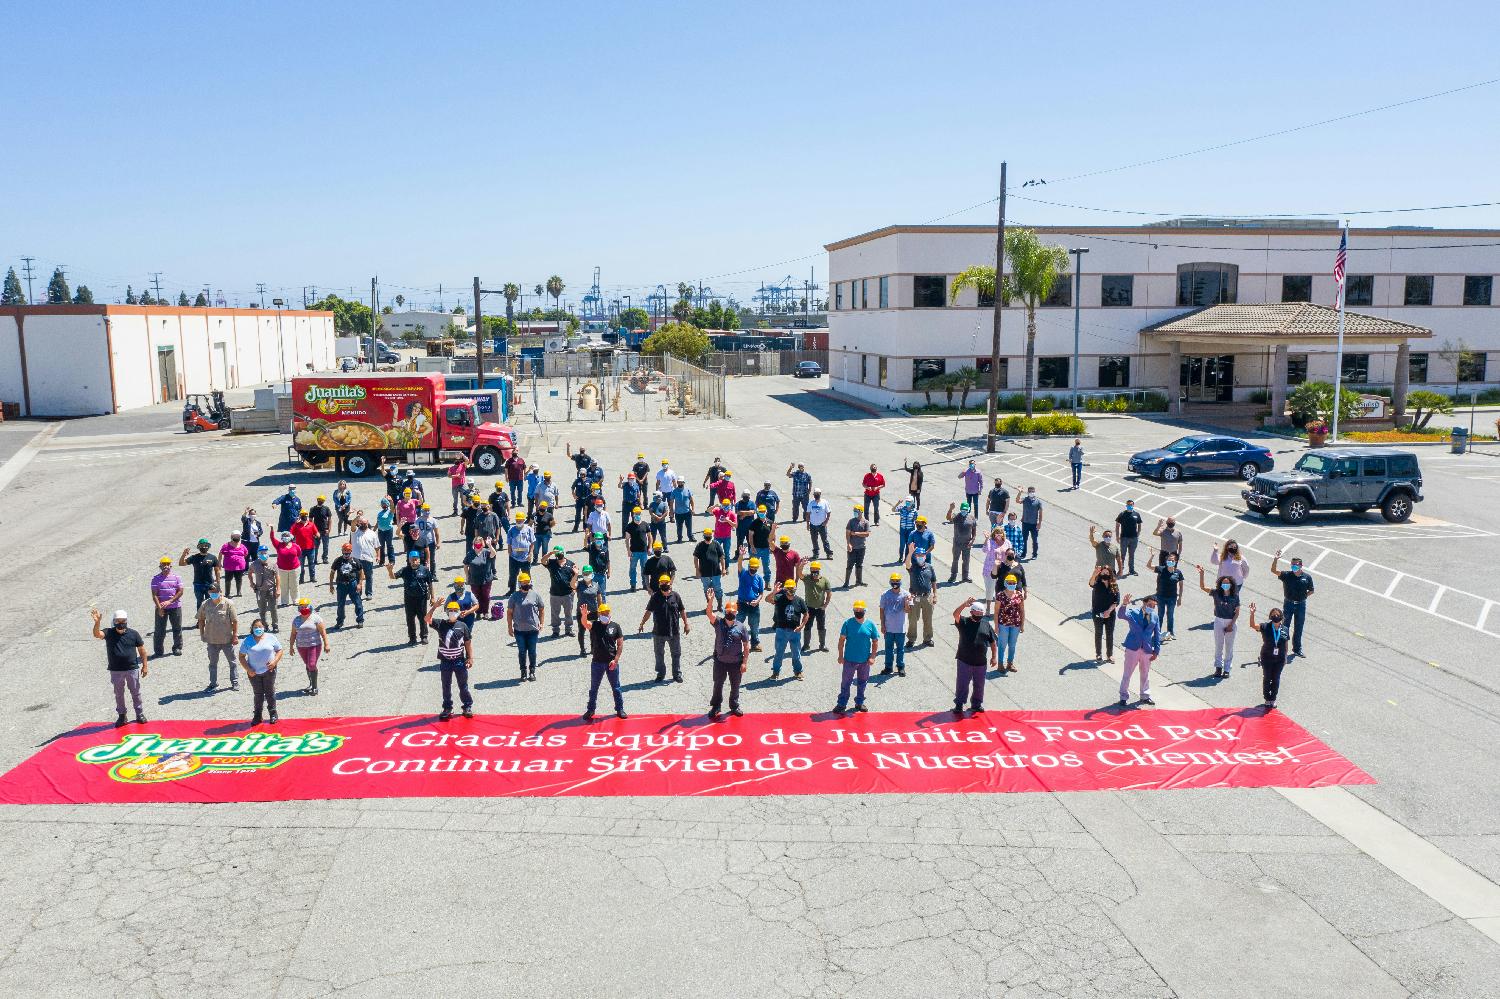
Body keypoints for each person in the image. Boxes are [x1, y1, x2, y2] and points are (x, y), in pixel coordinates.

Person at [92, 608, 147, 726]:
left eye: (123, 621)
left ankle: (139, 713)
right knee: (119, 694)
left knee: (135, 692)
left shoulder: (134, 634)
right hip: (116, 670)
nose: (120, 623)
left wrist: (145, 666)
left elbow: (142, 650)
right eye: (118, 621)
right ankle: (122, 716)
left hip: (132, 668)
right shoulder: (109, 633)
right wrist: (97, 623)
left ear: (126, 621)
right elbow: (97, 634)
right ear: (114, 621)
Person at [951, 598, 998, 716]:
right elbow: (955, 614)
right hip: (964, 660)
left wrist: (994, 657)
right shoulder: (964, 622)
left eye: (981, 614)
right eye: (977, 613)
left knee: (979, 685)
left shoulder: (986, 625)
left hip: (981, 662)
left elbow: (992, 642)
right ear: (971, 612)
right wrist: (964, 604)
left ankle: (976, 705)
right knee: (962, 683)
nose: (979, 616)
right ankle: (959, 704)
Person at [581, 603, 627, 721]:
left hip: (611, 662)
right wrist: (584, 615)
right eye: (602, 613)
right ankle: (591, 710)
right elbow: (585, 623)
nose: (605, 615)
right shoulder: (595, 625)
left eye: (606, 613)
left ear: (609, 613)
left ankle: (620, 708)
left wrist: (615, 660)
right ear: (599, 614)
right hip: (597, 662)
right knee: (594, 688)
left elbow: (620, 644)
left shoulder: (615, 626)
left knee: (616, 687)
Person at [430, 600, 475, 720]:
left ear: (459, 612)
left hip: (459, 661)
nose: (453, 613)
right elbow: (427, 619)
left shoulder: (463, 626)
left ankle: (467, 706)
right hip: (445, 661)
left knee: (463, 685)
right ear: (446, 612)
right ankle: (447, 708)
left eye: (455, 611)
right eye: (450, 611)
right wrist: (434, 607)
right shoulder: (440, 624)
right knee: (446, 686)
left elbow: (468, 643)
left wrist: (470, 658)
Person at [640, 574, 689, 682]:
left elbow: (682, 610)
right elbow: (648, 611)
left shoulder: (676, 596)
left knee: (676, 654)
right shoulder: (655, 597)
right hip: (659, 632)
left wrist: (686, 624)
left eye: (666, 583)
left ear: (669, 583)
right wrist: (642, 623)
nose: (664, 584)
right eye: (662, 583)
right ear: (659, 584)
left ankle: (677, 674)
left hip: (674, 631)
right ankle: (660, 674)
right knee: (659, 654)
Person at [705, 599, 750, 719]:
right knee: (718, 684)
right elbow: (709, 613)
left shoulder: (741, 627)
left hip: (736, 663)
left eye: (732, 611)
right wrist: (710, 601)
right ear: (725, 611)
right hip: (720, 661)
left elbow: (746, 646)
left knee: (735, 685)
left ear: (736, 613)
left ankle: (734, 706)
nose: (730, 613)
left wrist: (744, 663)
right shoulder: (718, 622)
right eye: (728, 611)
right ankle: (716, 706)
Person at [834, 600, 880, 714]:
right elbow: (841, 641)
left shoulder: (870, 625)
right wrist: (840, 656)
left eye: (860, 610)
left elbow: (875, 641)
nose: (858, 612)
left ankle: (859, 702)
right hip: (849, 660)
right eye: (856, 610)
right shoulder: (848, 623)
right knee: (845, 683)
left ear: (865, 611)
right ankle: (841, 704)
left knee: (862, 682)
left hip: (864, 661)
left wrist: (873, 656)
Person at [1196, 564, 1241, 679]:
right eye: (1223, 583)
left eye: (1227, 583)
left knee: (1229, 647)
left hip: (1231, 621)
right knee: (1218, 646)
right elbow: (1202, 587)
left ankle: (1227, 669)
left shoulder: (1235, 596)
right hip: (1219, 621)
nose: (1225, 585)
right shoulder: (1216, 593)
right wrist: (1202, 574)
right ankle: (1218, 668)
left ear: (1231, 584)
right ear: (1220, 584)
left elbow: (1237, 612)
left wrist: (1231, 625)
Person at [1117, 593, 1161, 706]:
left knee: (1145, 674)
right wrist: (1124, 604)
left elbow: (1157, 635)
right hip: (1132, 648)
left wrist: (1156, 651)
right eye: (1150, 604)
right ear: (1144, 603)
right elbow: (1121, 615)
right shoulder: (1133, 613)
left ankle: (1145, 696)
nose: (1152, 607)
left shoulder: (1155, 617)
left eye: (1154, 606)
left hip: (1146, 649)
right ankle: (1123, 696)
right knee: (1127, 673)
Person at [1270, 549, 1315, 658]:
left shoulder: (1307, 577)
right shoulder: (1287, 575)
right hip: (1288, 604)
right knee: (1285, 627)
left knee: (1299, 627)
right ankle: (1281, 649)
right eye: (1292, 564)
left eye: (1296, 565)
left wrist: (1304, 596)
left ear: (1301, 566)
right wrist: (1275, 559)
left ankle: (1297, 649)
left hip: (1301, 605)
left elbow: (1311, 590)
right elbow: (1273, 570)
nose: (1294, 566)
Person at [238, 619, 283, 725]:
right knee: (258, 694)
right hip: (253, 673)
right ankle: (257, 716)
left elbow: (279, 650)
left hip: (269, 670)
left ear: (264, 628)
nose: (258, 629)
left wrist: (275, 661)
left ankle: (273, 714)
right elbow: (241, 656)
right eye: (255, 627)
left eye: (260, 627)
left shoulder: (271, 637)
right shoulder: (247, 641)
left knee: (270, 692)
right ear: (252, 629)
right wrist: (248, 669)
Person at [195, 581, 239, 690]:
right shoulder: (205, 604)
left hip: (227, 640)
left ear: (220, 592)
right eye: (211, 592)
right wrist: (202, 634)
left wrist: (235, 635)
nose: (213, 594)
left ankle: (235, 682)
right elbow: (201, 619)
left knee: (232, 662)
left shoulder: (228, 604)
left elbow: (234, 621)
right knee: (212, 664)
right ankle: (213, 684)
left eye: (215, 592)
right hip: (212, 640)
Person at [1248, 602, 1290, 708]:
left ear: (1281, 617)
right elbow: (1253, 625)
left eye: (1277, 614)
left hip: (1279, 658)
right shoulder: (1265, 626)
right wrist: (1252, 613)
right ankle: (1267, 698)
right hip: (1267, 657)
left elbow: (1285, 644)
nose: (1276, 616)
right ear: (1271, 616)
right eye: (1273, 614)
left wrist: (1285, 656)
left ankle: (1273, 698)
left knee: (1276, 678)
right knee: (1267, 677)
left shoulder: (1285, 629)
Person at [389, 550, 435, 644]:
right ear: (409, 560)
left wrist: (432, 597)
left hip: (421, 598)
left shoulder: (424, 570)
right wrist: (390, 570)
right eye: (412, 560)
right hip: (409, 598)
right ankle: (412, 637)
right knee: (410, 618)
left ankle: (424, 636)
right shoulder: (405, 570)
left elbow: (430, 584)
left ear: (419, 560)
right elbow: (393, 577)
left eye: (416, 559)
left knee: (423, 618)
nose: (414, 562)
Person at [507, 572, 545, 681]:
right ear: (519, 583)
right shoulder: (514, 596)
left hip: (533, 630)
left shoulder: (535, 595)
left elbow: (542, 609)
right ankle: (523, 672)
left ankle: (532, 671)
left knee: (532, 651)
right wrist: (510, 627)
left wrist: (541, 623)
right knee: (522, 652)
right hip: (519, 631)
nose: (526, 584)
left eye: (527, 582)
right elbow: (509, 613)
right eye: (524, 582)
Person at [767, 580, 807, 680]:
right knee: (779, 653)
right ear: (785, 590)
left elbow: (806, 614)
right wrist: (774, 592)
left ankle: (798, 671)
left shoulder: (800, 601)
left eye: (792, 589)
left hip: (795, 632)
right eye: (788, 589)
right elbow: (767, 599)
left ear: (795, 589)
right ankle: (775, 672)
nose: (791, 591)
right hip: (781, 630)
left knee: (796, 653)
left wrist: (801, 626)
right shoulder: (779, 598)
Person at [288, 597, 329, 695]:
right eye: (301, 607)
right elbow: (293, 634)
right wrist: (291, 646)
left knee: (311, 664)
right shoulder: (296, 620)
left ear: (310, 606)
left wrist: (326, 644)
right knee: (308, 664)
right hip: (301, 646)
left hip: (314, 645)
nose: (303, 608)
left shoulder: (316, 618)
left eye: (305, 606)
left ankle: (315, 687)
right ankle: (311, 684)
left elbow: (323, 632)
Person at [1145, 549, 1185, 640]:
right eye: (1169, 560)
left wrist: (1180, 598)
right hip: (1161, 597)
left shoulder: (1178, 572)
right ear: (1166, 561)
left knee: (1170, 616)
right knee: (1160, 615)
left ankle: (1171, 633)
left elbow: (1181, 586)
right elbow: (1148, 566)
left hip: (1172, 598)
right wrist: (1152, 556)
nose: (1170, 562)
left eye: (1172, 560)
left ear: (1175, 562)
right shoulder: (1161, 569)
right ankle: (1157, 633)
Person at [878, 573, 913, 677]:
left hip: (900, 628)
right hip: (888, 628)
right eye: (893, 581)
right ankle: (888, 667)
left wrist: (907, 601)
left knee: (900, 649)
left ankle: (900, 667)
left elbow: (908, 611)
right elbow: (881, 610)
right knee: (888, 649)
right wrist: (882, 625)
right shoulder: (885, 595)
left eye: (897, 581)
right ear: (890, 582)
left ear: (900, 582)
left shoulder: (906, 594)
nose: (895, 583)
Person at [150, 556, 184, 657]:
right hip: (161, 608)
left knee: (177, 628)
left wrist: (170, 601)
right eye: (163, 564)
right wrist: (159, 608)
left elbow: (180, 591)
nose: (166, 566)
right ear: (160, 566)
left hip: (175, 607)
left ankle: (177, 648)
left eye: (167, 564)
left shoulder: (177, 578)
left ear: (171, 566)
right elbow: (154, 595)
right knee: (159, 630)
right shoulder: (155, 579)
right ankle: (158, 651)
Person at [328, 542, 365, 629]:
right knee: (340, 604)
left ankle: (360, 620)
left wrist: (360, 584)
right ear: (342, 551)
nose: (346, 554)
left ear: (351, 551)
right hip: (341, 585)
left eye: (348, 552)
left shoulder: (355, 561)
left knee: (357, 602)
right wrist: (331, 585)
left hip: (353, 584)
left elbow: (361, 572)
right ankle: (340, 621)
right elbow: (332, 573)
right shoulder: (338, 560)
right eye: (344, 552)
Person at [905, 551, 937, 648]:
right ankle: (911, 639)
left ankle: (927, 639)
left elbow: (934, 581)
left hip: (927, 597)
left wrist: (935, 594)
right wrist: (910, 552)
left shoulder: (929, 567)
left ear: (925, 556)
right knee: (913, 619)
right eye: (918, 555)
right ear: (915, 556)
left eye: (922, 555)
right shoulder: (912, 567)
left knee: (928, 619)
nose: (920, 557)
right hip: (915, 597)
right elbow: (907, 563)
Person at [736, 552, 767, 651]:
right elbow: (739, 564)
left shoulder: (759, 579)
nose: (753, 570)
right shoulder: (743, 573)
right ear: (749, 566)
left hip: (754, 605)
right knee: (737, 624)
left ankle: (755, 644)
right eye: (751, 567)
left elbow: (761, 593)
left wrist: (757, 601)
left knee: (754, 625)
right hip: (742, 603)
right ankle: (734, 642)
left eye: (755, 568)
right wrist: (741, 555)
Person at [1089, 565, 1120, 663]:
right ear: (1100, 573)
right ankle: (1098, 654)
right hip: (1098, 613)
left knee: (1109, 634)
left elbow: (1116, 601)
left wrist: (1109, 611)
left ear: (1110, 574)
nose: (1105, 574)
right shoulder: (1097, 583)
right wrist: (1094, 573)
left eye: (1107, 573)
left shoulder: (1114, 585)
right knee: (1098, 633)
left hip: (1110, 614)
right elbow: (1091, 583)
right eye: (1103, 573)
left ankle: (1109, 655)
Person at [179, 539, 222, 609]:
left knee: (212, 602)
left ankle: (210, 619)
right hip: (198, 584)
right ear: (199, 547)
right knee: (200, 602)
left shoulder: (213, 557)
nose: (204, 547)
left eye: (206, 546)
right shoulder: (194, 557)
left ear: (208, 547)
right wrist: (184, 554)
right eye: (202, 546)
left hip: (210, 584)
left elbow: (217, 571)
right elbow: (181, 563)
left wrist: (218, 584)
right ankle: (200, 619)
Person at [800, 561, 833, 652]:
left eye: (816, 569)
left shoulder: (824, 580)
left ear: (819, 570)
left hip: (820, 609)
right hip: (809, 608)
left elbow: (829, 593)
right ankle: (806, 645)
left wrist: (825, 605)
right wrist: (801, 565)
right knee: (807, 627)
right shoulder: (807, 578)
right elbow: (799, 574)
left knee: (821, 627)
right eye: (812, 569)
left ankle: (822, 645)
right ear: (810, 570)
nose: (814, 571)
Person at [693, 528, 727, 611]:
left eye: (709, 535)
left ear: (711, 536)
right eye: (706, 535)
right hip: (704, 573)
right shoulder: (700, 545)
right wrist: (697, 570)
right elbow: (695, 558)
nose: (708, 536)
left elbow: (722, 557)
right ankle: (709, 606)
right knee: (707, 590)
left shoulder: (716, 544)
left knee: (718, 589)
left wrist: (723, 569)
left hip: (716, 572)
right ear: (704, 536)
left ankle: (719, 605)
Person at [945, 502, 978, 583]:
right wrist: (950, 509)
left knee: (966, 560)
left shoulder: (972, 518)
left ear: (968, 510)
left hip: (967, 544)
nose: (964, 511)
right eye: (962, 509)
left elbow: (974, 531)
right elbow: (948, 518)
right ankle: (953, 576)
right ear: (960, 509)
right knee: (955, 559)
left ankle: (965, 576)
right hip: (957, 543)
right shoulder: (956, 516)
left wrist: (972, 540)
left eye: (965, 510)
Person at [248, 546, 280, 632]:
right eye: (261, 553)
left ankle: (275, 626)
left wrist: (278, 589)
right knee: (262, 610)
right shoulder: (254, 564)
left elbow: (277, 577)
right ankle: (264, 626)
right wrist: (251, 583)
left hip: (271, 590)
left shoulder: (273, 564)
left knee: (273, 609)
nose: (263, 554)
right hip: (260, 590)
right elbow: (249, 573)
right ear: (258, 554)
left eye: (265, 552)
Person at [574, 565, 603, 656]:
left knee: (593, 631)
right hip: (582, 612)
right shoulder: (579, 584)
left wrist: (600, 610)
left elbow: (599, 598)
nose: (587, 575)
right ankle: (582, 649)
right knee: (581, 631)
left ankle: (593, 648)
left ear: (592, 573)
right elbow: (572, 585)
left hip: (593, 612)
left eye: (588, 573)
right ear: (582, 574)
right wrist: (575, 575)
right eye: (585, 573)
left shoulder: (596, 585)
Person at [981, 527, 1011, 608]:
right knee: (989, 590)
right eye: (996, 533)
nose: (998, 534)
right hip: (989, 570)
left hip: (1002, 571)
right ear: (994, 534)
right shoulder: (991, 541)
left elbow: (1010, 554)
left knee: (1002, 591)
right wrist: (986, 539)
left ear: (1003, 534)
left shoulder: (1007, 542)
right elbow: (985, 550)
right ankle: (988, 608)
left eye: (1000, 532)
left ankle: (1000, 609)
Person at [624, 506, 652, 591]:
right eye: (636, 514)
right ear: (633, 514)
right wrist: (628, 550)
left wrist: (650, 547)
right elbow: (627, 539)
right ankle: (633, 585)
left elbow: (650, 537)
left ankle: (645, 584)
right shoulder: (629, 526)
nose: (637, 515)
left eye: (639, 513)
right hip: (634, 552)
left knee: (645, 568)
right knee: (632, 569)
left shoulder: (645, 524)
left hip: (644, 551)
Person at [506, 512, 534, 594]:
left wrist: (530, 554)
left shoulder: (529, 529)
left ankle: (529, 589)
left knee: (526, 574)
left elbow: (532, 542)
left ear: (524, 520)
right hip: (514, 557)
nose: (518, 522)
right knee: (512, 575)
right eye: (517, 520)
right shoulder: (511, 530)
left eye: (520, 520)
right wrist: (509, 553)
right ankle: (512, 590)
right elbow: (509, 543)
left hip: (525, 557)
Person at [350, 518, 379, 598]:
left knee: (369, 576)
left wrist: (378, 555)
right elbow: (352, 523)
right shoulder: (355, 531)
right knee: (356, 577)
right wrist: (357, 517)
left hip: (368, 558)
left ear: (367, 523)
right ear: (359, 523)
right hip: (356, 558)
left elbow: (377, 546)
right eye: (361, 523)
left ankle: (369, 593)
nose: (363, 525)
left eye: (364, 523)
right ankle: (358, 593)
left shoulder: (372, 533)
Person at [272, 531, 301, 607]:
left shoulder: (296, 546)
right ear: (281, 538)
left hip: (294, 569)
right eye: (284, 536)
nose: (285, 537)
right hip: (282, 569)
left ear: (291, 537)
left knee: (294, 585)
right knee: (283, 586)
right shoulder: (278, 545)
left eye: (287, 535)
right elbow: (272, 538)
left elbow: (299, 553)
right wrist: (272, 529)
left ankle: (296, 600)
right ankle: (284, 601)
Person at [1114, 499, 1143, 576]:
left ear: (1133, 505)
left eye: (1131, 505)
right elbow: (1117, 525)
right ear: (1126, 506)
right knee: (1122, 555)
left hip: (1134, 538)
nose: (1130, 506)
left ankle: (1131, 570)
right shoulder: (1122, 514)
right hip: (1124, 538)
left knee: (1132, 555)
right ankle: (1121, 570)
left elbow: (1139, 524)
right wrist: (1117, 536)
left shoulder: (1137, 514)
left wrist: (1138, 533)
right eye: (1128, 505)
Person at [747, 505, 774, 585]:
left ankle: (767, 582)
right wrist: (752, 546)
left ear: (766, 512)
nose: (762, 513)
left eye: (763, 511)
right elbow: (750, 536)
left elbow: (772, 535)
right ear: (758, 513)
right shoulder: (754, 523)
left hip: (766, 549)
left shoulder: (770, 522)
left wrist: (772, 546)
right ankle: (750, 581)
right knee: (752, 566)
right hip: (756, 549)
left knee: (766, 567)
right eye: (760, 512)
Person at [844, 505, 870, 588]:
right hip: (852, 548)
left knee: (859, 565)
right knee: (849, 565)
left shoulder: (865, 522)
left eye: (856, 511)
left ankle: (859, 581)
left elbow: (867, 534)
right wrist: (848, 544)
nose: (855, 513)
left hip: (861, 548)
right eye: (854, 511)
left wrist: (856, 533)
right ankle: (846, 582)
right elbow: (848, 533)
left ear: (861, 512)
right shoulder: (851, 521)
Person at [290, 510, 320, 583]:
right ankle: (301, 579)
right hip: (300, 550)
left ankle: (312, 578)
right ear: (300, 516)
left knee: (311, 564)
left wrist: (317, 535)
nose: (304, 517)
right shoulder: (296, 525)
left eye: (305, 515)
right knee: (300, 565)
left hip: (311, 548)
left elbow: (317, 534)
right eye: (303, 515)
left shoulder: (311, 524)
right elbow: (290, 534)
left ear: (307, 516)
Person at [412, 504, 440, 570]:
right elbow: (414, 531)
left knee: (432, 560)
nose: (427, 512)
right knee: (422, 559)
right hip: (421, 543)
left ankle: (433, 574)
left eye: (428, 510)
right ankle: (422, 573)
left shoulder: (433, 520)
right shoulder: (417, 520)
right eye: (425, 510)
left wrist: (438, 542)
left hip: (431, 542)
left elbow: (437, 533)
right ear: (422, 511)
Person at [805, 489, 832, 559]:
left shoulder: (824, 502)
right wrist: (808, 524)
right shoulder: (811, 503)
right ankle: (816, 553)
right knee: (814, 540)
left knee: (824, 540)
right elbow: (807, 514)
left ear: (820, 494)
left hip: (822, 525)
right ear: (813, 495)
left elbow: (828, 512)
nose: (816, 495)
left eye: (817, 493)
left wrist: (826, 521)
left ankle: (829, 553)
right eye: (815, 494)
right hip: (813, 525)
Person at [220, 533, 249, 598]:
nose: (236, 542)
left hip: (239, 566)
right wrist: (219, 562)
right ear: (232, 539)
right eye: (235, 540)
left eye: (237, 540)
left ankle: (238, 592)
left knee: (239, 579)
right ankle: (227, 593)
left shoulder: (242, 546)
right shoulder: (226, 545)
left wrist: (240, 559)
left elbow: (246, 553)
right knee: (228, 580)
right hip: (229, 566)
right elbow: (221, 553)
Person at [585, 530, 611, 600]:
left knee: (603, 592)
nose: (598, 540)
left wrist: (609, 572)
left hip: (602, 574)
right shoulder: (591, 547)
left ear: (602, 540)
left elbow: (608, 561)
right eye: (597, 539)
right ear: (594, 539)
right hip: (593, 574)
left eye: (600, 539)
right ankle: (594, 607)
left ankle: (603, 608)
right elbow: (585, 546)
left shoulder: (605, 549)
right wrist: (586, 536)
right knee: (592, 591)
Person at [1019, 487, 1043, 558]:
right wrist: (1020, 492)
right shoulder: (1025, 499)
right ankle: (1023, 553)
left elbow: (1041, 513)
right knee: (1024, 539)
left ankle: (1034, 554)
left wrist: (1039, 523)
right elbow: (1017, 500)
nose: (1031, 493)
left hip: (1034, 524)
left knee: (1035, 540)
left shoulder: (1038, 502)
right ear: (1028, 492)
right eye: (1030, 491)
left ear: (1035, 492)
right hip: (1025, 523)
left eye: (1033, 491)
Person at [309, 494, 334, 563]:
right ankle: (315, 559)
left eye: (322, 500)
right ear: (317, 500)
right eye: (319, 500)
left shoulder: (326, 508)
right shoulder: (313, 509)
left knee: (325, 545)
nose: (320, 501)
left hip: (325, 530)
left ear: (324, 501)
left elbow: (329, 519)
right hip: (316, 531)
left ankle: (325, 558)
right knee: (315, 546)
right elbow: (310, 520)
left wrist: (329, 529)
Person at [711, 498, 737, 563]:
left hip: (727, 537)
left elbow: (735, 525)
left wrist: (728, 520)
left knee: (727, 554)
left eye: (727, 505)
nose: (726, 506)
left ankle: (726, 567)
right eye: (724, 505)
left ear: (729, 505)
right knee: (715, 553)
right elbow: (708, 511)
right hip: (717, 536)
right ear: (722, 505)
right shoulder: (718, 511)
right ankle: (716, 567)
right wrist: (714, 506)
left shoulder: (731, 514)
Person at [619, 471, 643, 537]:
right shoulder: (625, 484)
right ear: (628, 479)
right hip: (626, 504)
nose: (631, 480)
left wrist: (641, 504)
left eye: (632, 478)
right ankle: (624, 534)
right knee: (625, 520)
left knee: (635, 519)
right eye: (630, 478)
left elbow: (638, 495)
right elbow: (619, 486)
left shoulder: (636, 485)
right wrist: (621, 480)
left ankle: (633, 532)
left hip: (634, 504)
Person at [375, 497, 397, 567]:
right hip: (380, 531)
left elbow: (393, 507)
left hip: (388, 531)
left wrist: (391, 501)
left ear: (387, 505)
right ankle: (382, 561)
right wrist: (373, 531)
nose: (384, 505)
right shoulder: (379, 513)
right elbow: (377, 522)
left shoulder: (390, 512)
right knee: (381, 546)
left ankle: (392, 561)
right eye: (382, 504)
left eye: (385, 504)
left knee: (389, 546)